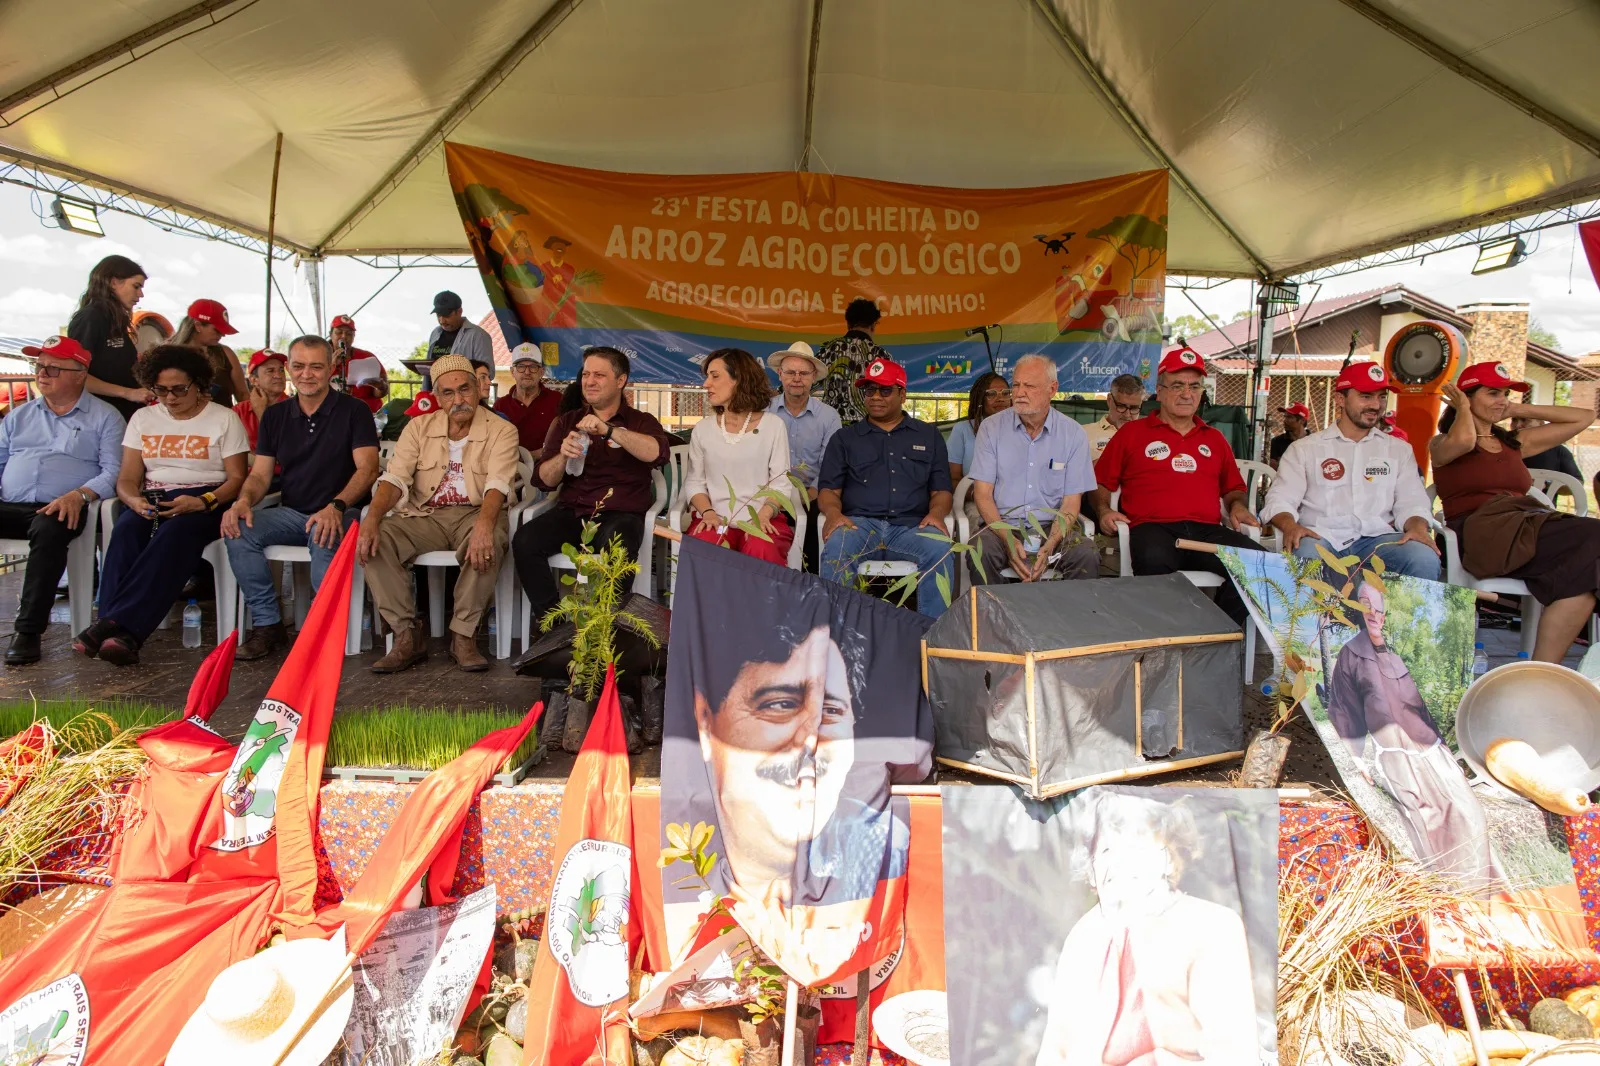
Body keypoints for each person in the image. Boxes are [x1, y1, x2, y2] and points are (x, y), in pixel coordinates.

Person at [1035, 792, 1259, 1066]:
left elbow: (1232, 1053)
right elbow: (1055, 1051)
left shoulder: (1212, 927)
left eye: (1136, 847)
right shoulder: (1083, 936)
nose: (1121, 863)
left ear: (1168, 859)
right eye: (1107, 850)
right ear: (1091, 869)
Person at [75, 345, 248, 666]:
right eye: (160, 390)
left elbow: (237, 479)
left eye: (179, 389)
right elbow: (127, 478)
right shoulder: (143, 418)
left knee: (177, 534)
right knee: (126, 529)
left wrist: (202, 501)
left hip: (209, 498)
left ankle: (109, 624)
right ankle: (122, 637)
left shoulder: (224, 419)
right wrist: (133, 500)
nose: (169, 398)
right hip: (152, 497)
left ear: (199, 384)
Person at [1324, 582, 1500, 884]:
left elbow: (1423, 710)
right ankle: (1444, 899)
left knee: (1470, 815)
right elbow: (1344, 712)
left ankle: (1478, 899)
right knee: (1427, 828)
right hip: (1398, 762)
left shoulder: (1398, 653)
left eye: (1378, 608)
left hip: (1434, 754)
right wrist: (1354, 759)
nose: (1373, 613)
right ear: (1358, 609)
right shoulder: (1351, 655)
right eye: (1366, 605)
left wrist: (1447, 749)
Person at [356, 355, 518, 673]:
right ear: (437, 398)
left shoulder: (502, 430)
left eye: (465, 389)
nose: (458, 399)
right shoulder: (418, 427)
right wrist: (372, 518)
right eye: (448, 392)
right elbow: (395, 478)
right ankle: (407, 636)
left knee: (488, 540)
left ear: (479, 389)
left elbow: (498, 483)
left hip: (474, 512)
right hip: (424, 514)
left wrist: (485, 525)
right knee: (375, 541)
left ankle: (463, 636)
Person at [222, 337, 381, 660]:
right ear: (289, 369)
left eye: (316, 366)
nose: (306, 374)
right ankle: (269, 625)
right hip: (292, 512)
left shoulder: (354, 411)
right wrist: (243, 501)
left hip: (343, 510)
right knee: (238, 528)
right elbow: (260, 475)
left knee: (325, 533)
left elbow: (368, 470)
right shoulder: (276, 416)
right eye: (298, 366)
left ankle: (322, 634)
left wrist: (335, 506)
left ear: (331, 369)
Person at [1431, 362, 1600, 662]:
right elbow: (1466, 440)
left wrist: (1516, 411)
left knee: (1587, 573)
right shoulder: (1442, 443)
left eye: (1506, 394)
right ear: (1467, 397)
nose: (1502, 400)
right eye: (1493, 393)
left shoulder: (1513, 443)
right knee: (1595, 535)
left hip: (1524, 524)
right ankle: (1541, 671)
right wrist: (1463, 409)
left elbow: (1584, 416)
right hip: (1483, 534)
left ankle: (1542, 671)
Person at [1090, 347, 1263, 624]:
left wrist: (1238, 506)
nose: (1187, 393)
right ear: (1159, 391)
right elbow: (1100, 482)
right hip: (1153, 528)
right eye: (1178, 385)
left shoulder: (1215, 438)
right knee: (1154, 562)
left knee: (1259, 564)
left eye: (1195, 386)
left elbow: (1233, 487)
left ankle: (1217, 635)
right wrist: (1103, 511)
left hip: (1206, 532)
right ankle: (1163, 645)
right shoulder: (1132, 434)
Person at [514, 347, 672, 623]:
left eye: (599, 375)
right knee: (525, 541)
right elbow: (543, 480)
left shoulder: (640, 421)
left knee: (620, 542)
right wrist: (563, 455)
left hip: (620, 515)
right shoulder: (567, 421)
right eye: (586, 374)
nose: (589, 381)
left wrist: (610, 431)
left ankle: (602, 630)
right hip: (574, 512)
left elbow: (659, 454)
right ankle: (555, 628)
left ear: (620, 381)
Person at [0, 337, 124, 666]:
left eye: (53, 367)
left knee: (51, 525)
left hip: (64, 506)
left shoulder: (105, 417)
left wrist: (80, 494)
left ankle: (27, 632)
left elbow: (115, 471)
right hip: (11, 505)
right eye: (39, 366)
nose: (43, 373)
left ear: (80, 373)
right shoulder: (19, 416)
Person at [1263, 362, 1439, 579]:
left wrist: (1417, 528)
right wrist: (1290, 525)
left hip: (1379, 540)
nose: (1376, 405)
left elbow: (1412, 502)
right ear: (1340, 399)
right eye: (1366, 396)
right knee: (1306, 555)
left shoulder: (1398, 450)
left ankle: (1399, 615)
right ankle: (1316, 615)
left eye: (1381, 396)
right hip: (1320, 537)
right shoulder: (1305, 449)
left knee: (1423, 558)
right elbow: (1280, 499)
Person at [817, 357, 954, 617]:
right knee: (837, 548)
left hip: (911, 528)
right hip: (858, 527)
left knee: (940, 550)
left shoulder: (928, 436)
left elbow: (941, 491)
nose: (875, 397)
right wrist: (834, 514)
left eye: (885, 390)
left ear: (903, 394)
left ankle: (933, 636)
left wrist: (936, 514)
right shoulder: (845, 438)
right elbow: (828, 491)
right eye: (869, 390)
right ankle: (836, 634)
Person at [968, 354, 1098, 583]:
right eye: (1016, 385)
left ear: (1052, 388)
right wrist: (1007, 537)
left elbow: (1070, 503)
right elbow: (983, 494)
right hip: (1001, 525)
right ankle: (994, 616)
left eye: (1029, 386)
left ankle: (1070, 618)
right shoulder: (991, 428)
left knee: (1086, 554)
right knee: (980, 549)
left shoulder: (1073, 434)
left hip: (1051, 527)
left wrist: (1051, 545)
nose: (1019, 393)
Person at [684, 348, 793, 564]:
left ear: (739, 380)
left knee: (762, 547)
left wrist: (762, 515)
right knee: (705, 545)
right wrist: (708, 513)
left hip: (762, 517)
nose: (706, 384)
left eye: (715, 376)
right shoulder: (703, 429)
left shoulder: (773, 426)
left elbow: (781, 484)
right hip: (714, 518)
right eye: (707, 376)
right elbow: (694, 482)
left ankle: (757, 600)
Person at [766, 341, 840, 573]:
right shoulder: (763, 411)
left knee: (814, 536)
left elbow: (831, 463)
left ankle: (811, 591)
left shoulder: (829, 417)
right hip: (769, 493)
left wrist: (812, 493)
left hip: (813, 493)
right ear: (780, 374)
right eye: (790, 372)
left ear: (814, 377)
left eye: (803, 373)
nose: (796, 378)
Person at [69, 254, 149, 420]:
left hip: (121, 414)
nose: (140, 294)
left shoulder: (114, 320)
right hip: (100, 417)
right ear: (113, 283)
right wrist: (127, 393)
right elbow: (74, 375)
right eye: (136, 286)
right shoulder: (91, 317)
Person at [817, 298, 890, 425]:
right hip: (867, 429)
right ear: (873, 325)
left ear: (848, 324)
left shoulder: (829, 350)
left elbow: (805, 380)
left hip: (832, 426)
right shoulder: (881, 356)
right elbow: (889, 395)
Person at [169, 298, 249, 407]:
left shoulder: (226, 354)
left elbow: (243, 395)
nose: (222, 335)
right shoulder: (167, 355)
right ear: (198, 326)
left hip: (222, 422)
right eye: (217, 330)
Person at [946, 370, 1011, 487]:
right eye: (992, 394)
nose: (1000, 398)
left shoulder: (1020, 429)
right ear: (980, 398)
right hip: (973, 500)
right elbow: (952, 478)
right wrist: (976, 495)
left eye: (1005, 393)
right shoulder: (963, 430)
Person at [496, 342, 562, 455]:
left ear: (541, 372)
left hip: (548, 467)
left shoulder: (557, 400)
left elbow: (566, 439)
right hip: (511, 468)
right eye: (521, 367)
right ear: (513, 372)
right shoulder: (501, 405)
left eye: (533, 367)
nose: (527, 372)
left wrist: (534, 456)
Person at [421, 291, 495, 387]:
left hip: (463, 398)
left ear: (459, 311)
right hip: (433, 395)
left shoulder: (478, 336)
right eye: (438, 315)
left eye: (446, 315)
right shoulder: (435, 333)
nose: (442, 320)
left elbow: (488, 373)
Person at [327, 313, 389, 412]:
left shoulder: (367, 357)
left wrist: (380, 386)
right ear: (330, 335)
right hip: (332, 414)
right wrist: (331, 366)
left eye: (349, 334)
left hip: (364, 413)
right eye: (339, 332)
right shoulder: (320, 358)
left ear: (354, 337)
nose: (344, 336)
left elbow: (381, 392)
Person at [231, 349, 289, 450]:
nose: (278, 375)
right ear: (254, 380)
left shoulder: (297, 407)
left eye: (281, 370)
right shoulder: (239, 411)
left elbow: (287, 450)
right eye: (270, 371)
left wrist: (261, 412)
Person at [1083, 373, 1145, 461]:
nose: (1127, 414)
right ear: (1109, 400)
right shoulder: (1083, 434)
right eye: (1121, 406)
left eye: (1134, 408)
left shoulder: (1149, 436)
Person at [1512, 415, 1585, 486]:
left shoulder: (1558, 451)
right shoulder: (1504, 448)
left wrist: (1547, 484)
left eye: (1525, 420)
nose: (1518, 425)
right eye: (1514, 420)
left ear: (1541, 423)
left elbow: (1577, 483)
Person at [1268, 402, 1311, 469]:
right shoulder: (1277, 441)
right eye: (1285, 417)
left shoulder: (1313, 442)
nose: (1285, 421)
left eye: (1289, 417)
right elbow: (1272, 466)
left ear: (1302, 421)